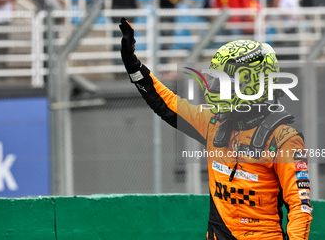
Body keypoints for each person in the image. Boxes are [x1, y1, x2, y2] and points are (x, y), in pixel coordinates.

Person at [119, 18, 312, 239]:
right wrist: (133, 65)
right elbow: (167, 104)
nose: (216, 88)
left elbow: (300, 208)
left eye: (225, 81)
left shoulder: (283, 138)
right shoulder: (214, 122)